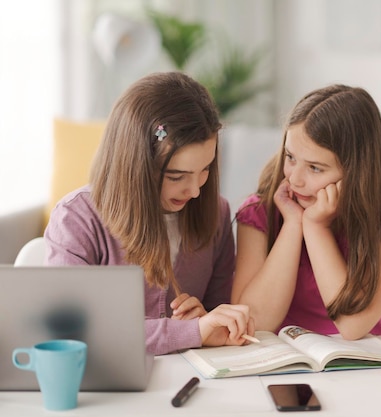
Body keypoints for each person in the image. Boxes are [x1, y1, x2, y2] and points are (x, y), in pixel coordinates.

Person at [44, 71, 255, 355]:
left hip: (189, 383)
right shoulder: (76, 220)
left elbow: (218, 313)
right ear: (134, 166)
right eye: (176, 176)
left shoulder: (216, 212)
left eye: (204, 170)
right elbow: (73, 331)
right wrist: (188, 332)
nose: (194, 191)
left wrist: (208, 320)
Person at [232, 84, 381, 339]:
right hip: (286, 359)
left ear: (356, 173)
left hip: (370, 363)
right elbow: (254, 320)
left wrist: (316, 227)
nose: (295, 179)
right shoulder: (259, 212)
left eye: (315, 168)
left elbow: (352, 326)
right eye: (290, 157)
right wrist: (293, 225)